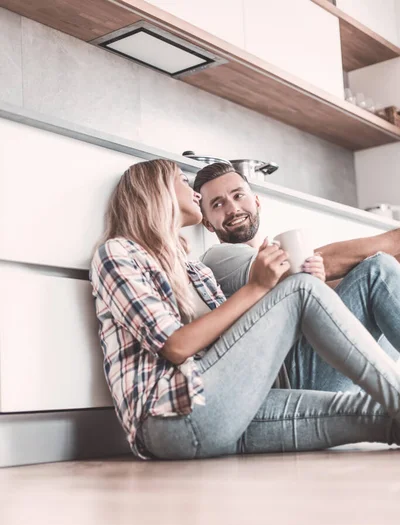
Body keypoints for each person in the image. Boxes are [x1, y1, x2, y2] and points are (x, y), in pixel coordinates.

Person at [90, 159, 400, 461]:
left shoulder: (196, 271)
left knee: (379, 416)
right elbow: (175, 346)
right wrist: (259, 288)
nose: (195, 193)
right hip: (174, 416)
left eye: (238, 195)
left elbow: (234, 344)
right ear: (157, 192)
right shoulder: (118, 252)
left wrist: (287, 292)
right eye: (184, 182)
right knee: (302, 288)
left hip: (231, 407)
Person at [195, 162, 400, 395]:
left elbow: (331, 292)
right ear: (208, 223)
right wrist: (393, 240)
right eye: (218, 204)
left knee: (388, 269)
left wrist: (320, 283)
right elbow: (293, 267)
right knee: (379, 269)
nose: (232, 208)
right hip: (291, 376)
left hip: (315, 361)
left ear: (257, 202)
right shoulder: (219, 258)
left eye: (238, 195)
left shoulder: (270, 251)